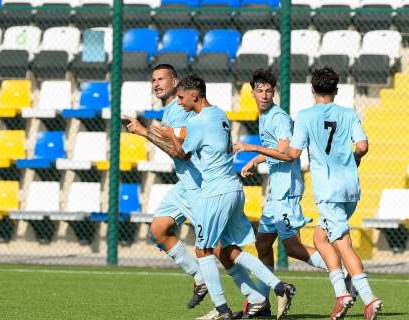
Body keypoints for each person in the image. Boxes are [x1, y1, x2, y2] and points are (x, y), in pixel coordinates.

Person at [158, 74, 296, 320]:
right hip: (233, 188)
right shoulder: (220, 114)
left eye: (181, 97)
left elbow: (180, 153)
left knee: (203, 250)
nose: (178, 102)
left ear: (194, 96)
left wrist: (165, 134)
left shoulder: (199, 122)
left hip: (217, 191)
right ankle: (274, 289)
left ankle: (222, 310)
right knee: (229, 250)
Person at [233, 69, 355, 318]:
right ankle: (262, 301)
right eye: (260, 90)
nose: (264, 95)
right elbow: (274, 148)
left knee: (293, 249)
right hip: (275, 192)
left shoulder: (278, 117)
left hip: (286, 192)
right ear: (253, 92)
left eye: (269, 91)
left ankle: (342, 274)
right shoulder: (264, 115)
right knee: (263, 243)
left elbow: (286, 152)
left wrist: (252, 148)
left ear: (274, 93)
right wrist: (255, 160)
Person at [278, 67, 382, 320]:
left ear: (312, 90)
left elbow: (292, 153)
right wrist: (353, 158)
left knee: (343, 245)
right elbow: (363, 146)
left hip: (328, 191)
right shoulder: (348, 113)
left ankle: (367, 298)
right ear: (336, 90)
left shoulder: (304, 116)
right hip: (350, 188)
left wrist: (259, 151)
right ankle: (341, 293)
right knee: (320, 239)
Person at [124, 64, 208, 308]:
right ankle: (200, 277)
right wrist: (145, 128)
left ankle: (254, 297)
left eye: (162, 79)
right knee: (159, 229)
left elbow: (179, 152)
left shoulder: (180, 111)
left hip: (198, 183)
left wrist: (144, 132)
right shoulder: (170, 112)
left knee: (221, 250)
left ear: (175, 81)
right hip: (184, 184)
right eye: (153, 80)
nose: (156, 84)